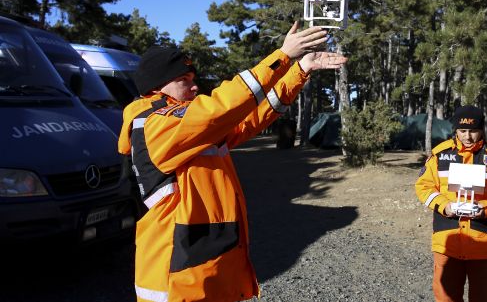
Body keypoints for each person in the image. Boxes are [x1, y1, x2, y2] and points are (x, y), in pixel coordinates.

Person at [118, 22, 347, 302]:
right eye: (184, 80)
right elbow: (220, 108)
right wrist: (282, 56)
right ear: (158, 86)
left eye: (193, 79)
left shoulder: (188, 126)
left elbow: (246, 119)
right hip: (175, 276)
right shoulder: (154, 123)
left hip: (200, 264)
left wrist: (299, 71)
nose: (194, 86)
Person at [415, 105, 487, 302]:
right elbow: (424, 187)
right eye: (462, 131)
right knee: (445, 297)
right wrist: (443, 205)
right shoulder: (440, 154)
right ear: (455, 129)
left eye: (473, 131)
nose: (468, 137)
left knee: (484, 297)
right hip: (447, 241)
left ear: (482, 130)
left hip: (483, 241)